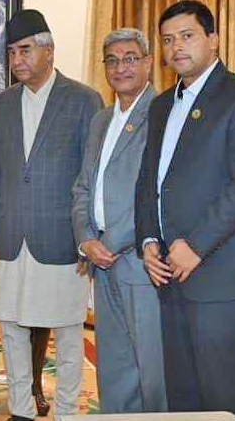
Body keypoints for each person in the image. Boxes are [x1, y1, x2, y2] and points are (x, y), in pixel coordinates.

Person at [135, 0, 235, 421]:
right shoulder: (160, 106)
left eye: (187, 36)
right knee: (183, 398)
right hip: (169, 274)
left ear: (214, 39)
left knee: (226, 398)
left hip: (222, 276)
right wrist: (148, 241)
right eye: (168, 40)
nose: (176, 47)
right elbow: (149, 182)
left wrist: (197, 246)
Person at [0, 9, 102, 421]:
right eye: (12, 52)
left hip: (63, 238)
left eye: (25, 50)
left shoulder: (84, 100)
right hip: (12, 238)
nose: (17, 60)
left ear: (49, 50)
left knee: (67, 331)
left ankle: (66, 411)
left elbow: (93, 176)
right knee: (11, 327)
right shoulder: (1, 105)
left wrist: (88, 237)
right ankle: (21, 409)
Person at [71, 28, 165, 413]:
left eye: (130, 59)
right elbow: (82, 187)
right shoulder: (101, 120)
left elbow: (157, 192)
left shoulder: (162, 114)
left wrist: (109, 242)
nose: (120, 67)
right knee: (114, 366)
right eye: (112, 60)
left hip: (141, 262)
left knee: (153, 369)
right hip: (101, 261)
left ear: (148, 63)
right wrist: (85, 240)